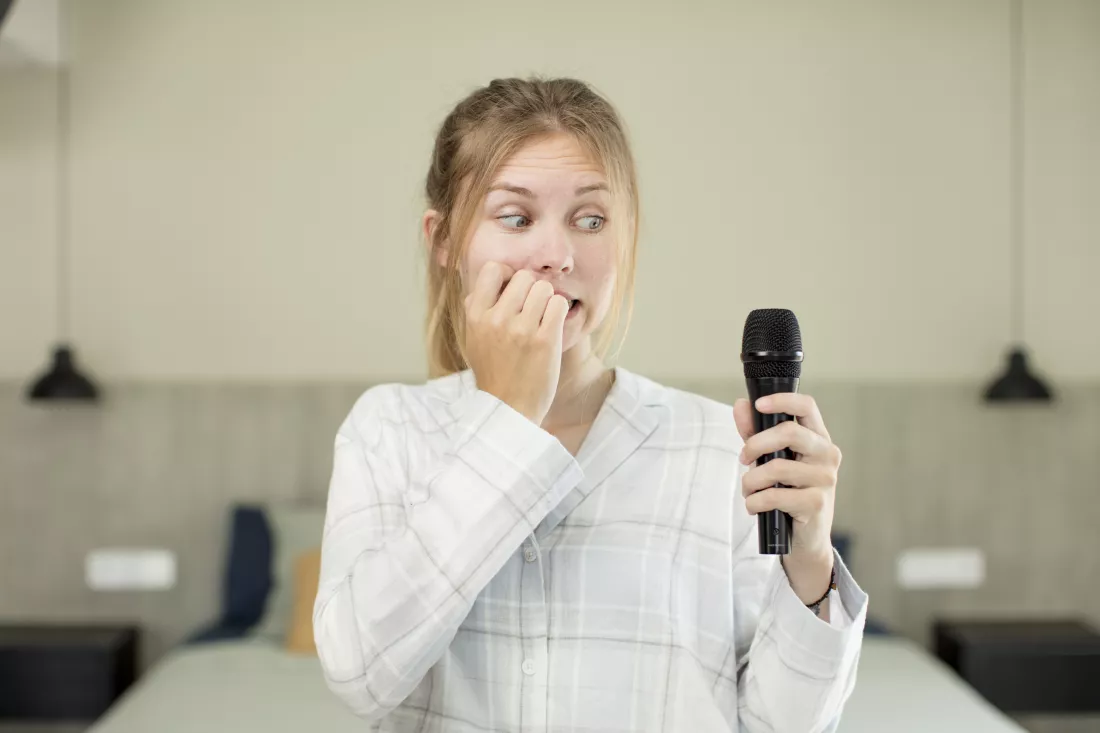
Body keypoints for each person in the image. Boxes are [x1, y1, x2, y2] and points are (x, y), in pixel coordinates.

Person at [313, 76, 867, 732]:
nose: (557, 255)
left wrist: (811, 567)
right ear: (444, 242)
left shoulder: (720, 446)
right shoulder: (388, 431)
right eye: (515, 217)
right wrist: (507, 418)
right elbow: (360, 674)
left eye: (591, 219)